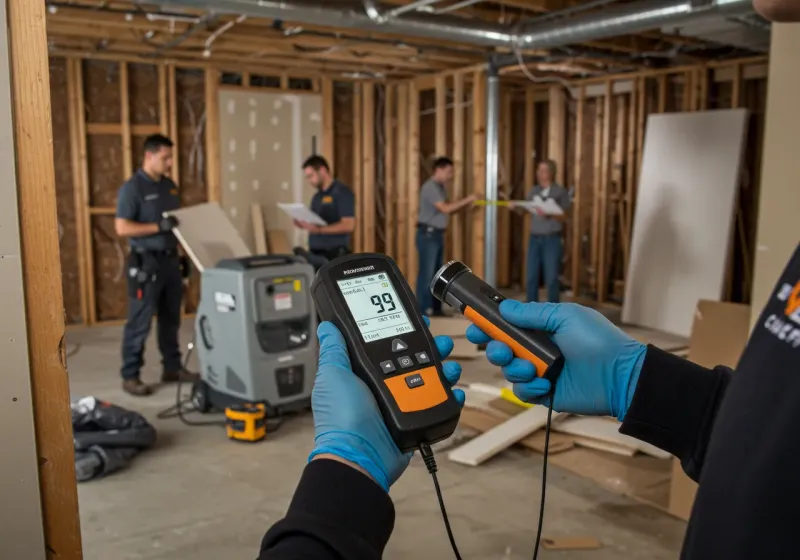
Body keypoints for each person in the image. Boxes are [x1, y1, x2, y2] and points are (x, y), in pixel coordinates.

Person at [115, 134, 197, 397]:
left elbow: (176, 225)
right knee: (140, 321)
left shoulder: (169, 186)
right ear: (149, 156)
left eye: (171, 157)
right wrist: (156, 227)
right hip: (145, 264)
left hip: (170, 261)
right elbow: (122, 226)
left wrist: (183, 256)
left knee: (171, 319)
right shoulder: (133, 188)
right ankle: (130, 375)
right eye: (165, 157)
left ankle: (172, 367)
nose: (170, 162)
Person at [416, 157, 476, 315]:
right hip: (428, 235)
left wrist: (466, 205)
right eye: (449, 172)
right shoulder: (430, 187)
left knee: (437, 274)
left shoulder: (440, 187)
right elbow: (446, 209)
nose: (451, 175)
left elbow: (448, 209)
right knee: (427, 274)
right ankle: (423, 310)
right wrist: (468, 199)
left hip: (435, 235)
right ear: (438, 170)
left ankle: (435, 309)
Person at [293, 155, 355, 269]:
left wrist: (320, 230)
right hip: (316, 254)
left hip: (335, 255)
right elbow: (314, 222)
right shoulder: (317, 197)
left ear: (322, 171)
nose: (309, 181)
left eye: (311, 176)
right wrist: (302, 223)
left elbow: (348, 225)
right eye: (307, 177)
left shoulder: (342, 193)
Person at [524, 159, 571, 303]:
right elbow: (526, 209)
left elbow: (565, 216)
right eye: (538, 170)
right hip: (534, 238)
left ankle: (553, 312)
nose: (540, 173)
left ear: (551, 173)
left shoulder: (560, 192)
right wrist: (516, 206)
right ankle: (529, 311)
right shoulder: (534, 191)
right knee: (531, 277)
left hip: (551, 239)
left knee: (551, 277)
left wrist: (550, 212)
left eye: (543, 170)